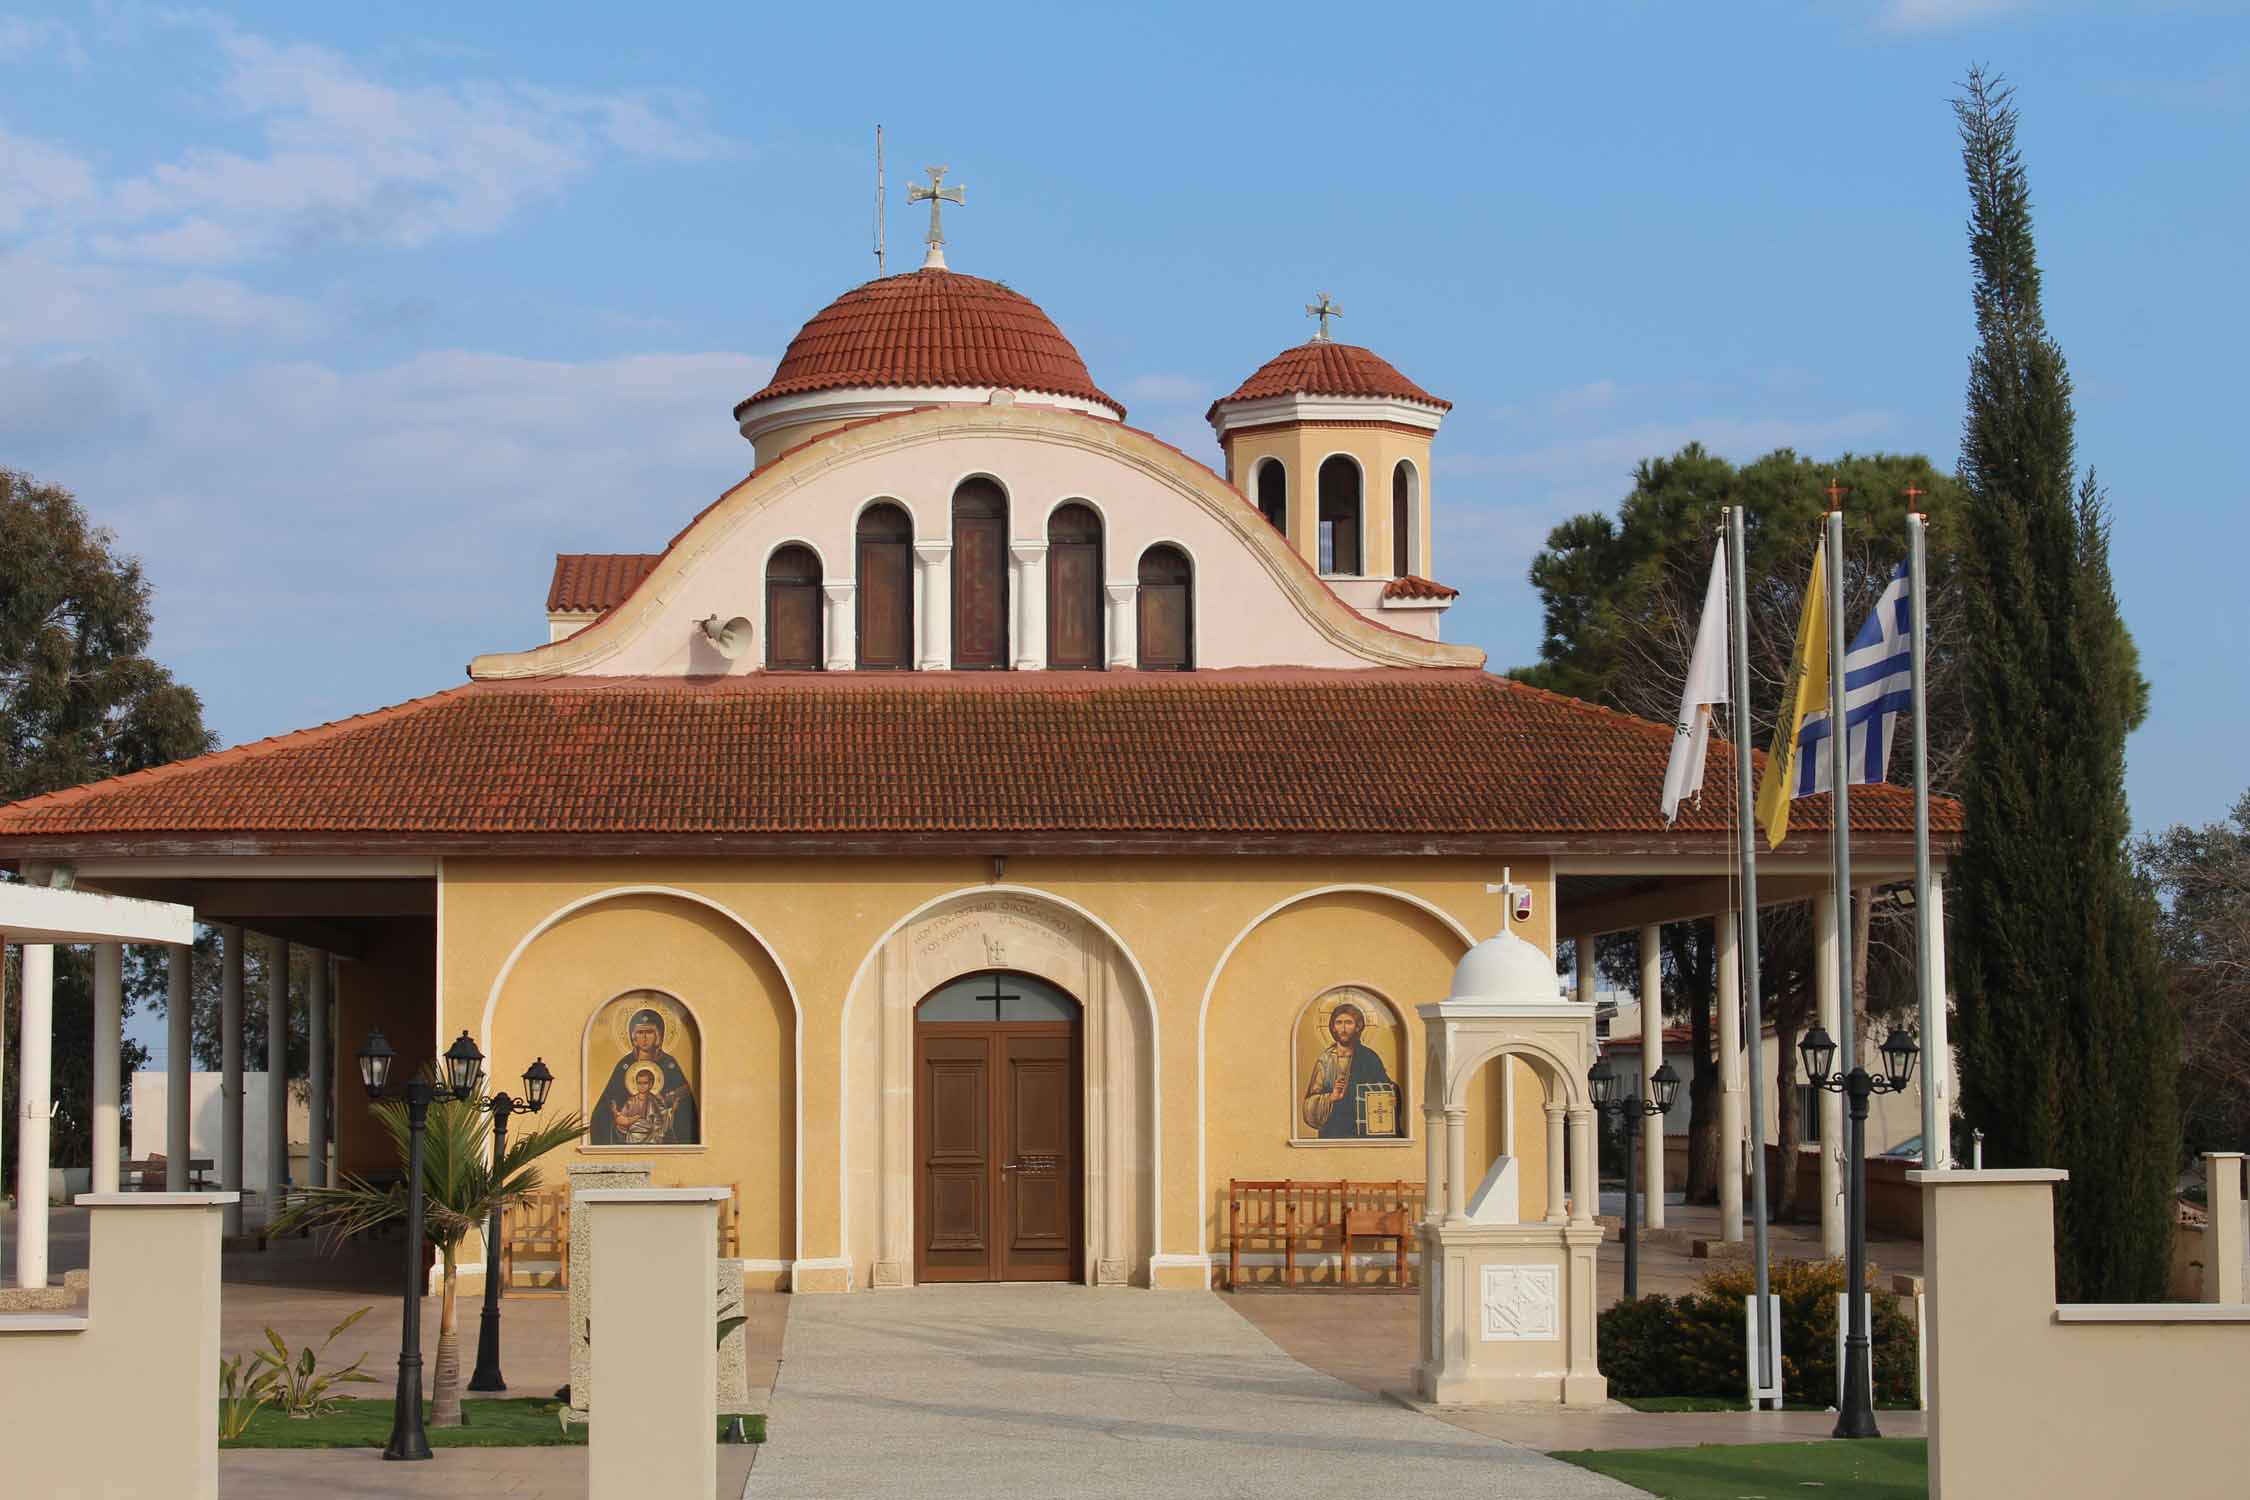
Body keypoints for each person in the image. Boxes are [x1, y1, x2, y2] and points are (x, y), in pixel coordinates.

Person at [591, 1007, 700, 1145]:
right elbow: (607, 1106)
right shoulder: (624, 1065)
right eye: (640, 1032)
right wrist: (616, 1116)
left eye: (649, 1032)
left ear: (659, 1036)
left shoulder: (669, 1064)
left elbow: (686, 1109)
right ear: (633, 1037)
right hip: (629, 1135)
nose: (644, 1037)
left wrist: (673, 1107)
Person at [1300, 1000, 1400, 1139]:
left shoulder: (1369, 1057)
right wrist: (1331, 1097)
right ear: (1333, 1027)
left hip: (1363, 1132)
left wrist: (1392, 1093)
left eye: (1348, 1022)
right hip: (1333, 1131)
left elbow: (1385, 1090)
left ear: (1358, 1027)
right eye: (1339, 1023)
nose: (1343, 1028)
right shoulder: (1325, 1060)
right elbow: (1309, 1104)